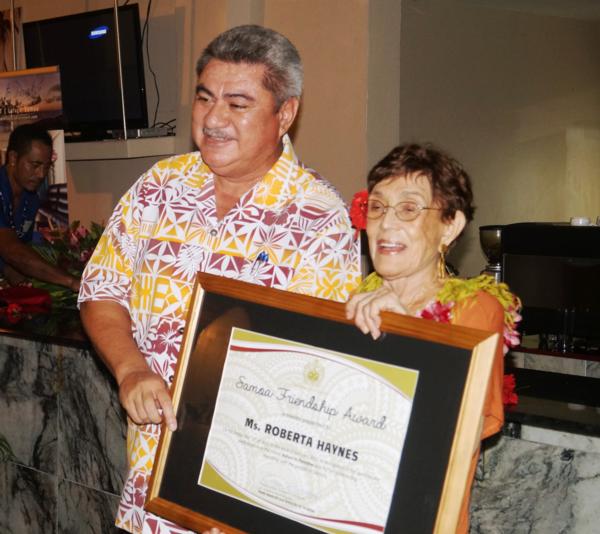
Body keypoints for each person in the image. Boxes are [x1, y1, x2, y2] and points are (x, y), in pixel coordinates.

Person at [78, 25, 361, 534]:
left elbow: (320, 365)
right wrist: (130, 370)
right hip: (147, 489)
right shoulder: (158, 188)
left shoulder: (317, 217)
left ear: (286, 114)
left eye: (238, 104)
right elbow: (101, 291)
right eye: (205, 98)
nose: (213, 119)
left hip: (248, 497)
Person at [345, 143, 520, 534]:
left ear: (450, 225)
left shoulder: (476, 309)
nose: (386, 225)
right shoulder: (352, 301)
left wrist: (406, 324)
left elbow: (458, 432)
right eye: (376, 207)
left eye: (408, 209)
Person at [0, 123, 80, 291]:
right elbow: (12, 251)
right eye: (35, 165)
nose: (41, 174)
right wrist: (71, 282)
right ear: (13, 158)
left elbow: (15, 257)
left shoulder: (31, 198)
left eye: (46, 167)